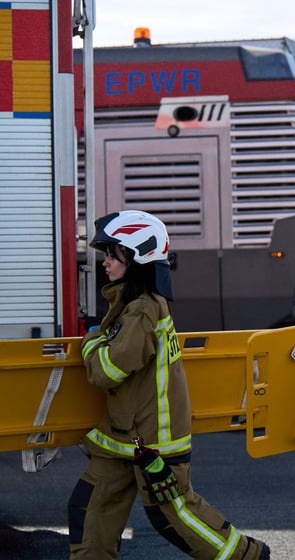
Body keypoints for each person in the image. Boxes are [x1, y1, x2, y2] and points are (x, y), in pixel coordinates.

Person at [68, 210, 270, 559]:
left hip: (152, 442)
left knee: (173, 515)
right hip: (125, 437)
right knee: (90, 510)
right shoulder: (131, 306)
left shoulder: (143, 310)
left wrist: (90, 342)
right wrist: (101, 337)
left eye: (113, 254)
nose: (105, 263)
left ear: (136, 257)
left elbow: (108, 371)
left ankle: (248, 557)